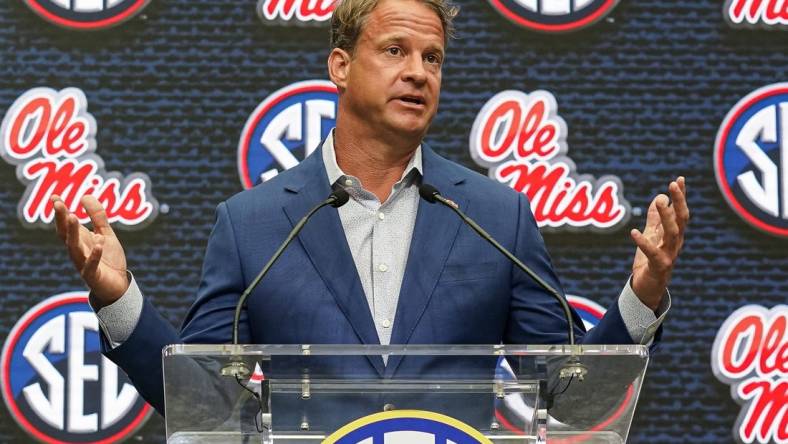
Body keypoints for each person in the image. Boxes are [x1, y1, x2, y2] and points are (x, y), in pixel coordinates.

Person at [51, 0, 688, 421]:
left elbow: (572, 399)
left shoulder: (498, 217)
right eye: (395, 51)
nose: (418, 72)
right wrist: (118, 298)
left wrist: (643, 292)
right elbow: (203, 402)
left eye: (432, 58)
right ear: (340, 65)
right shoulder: (254, 223)